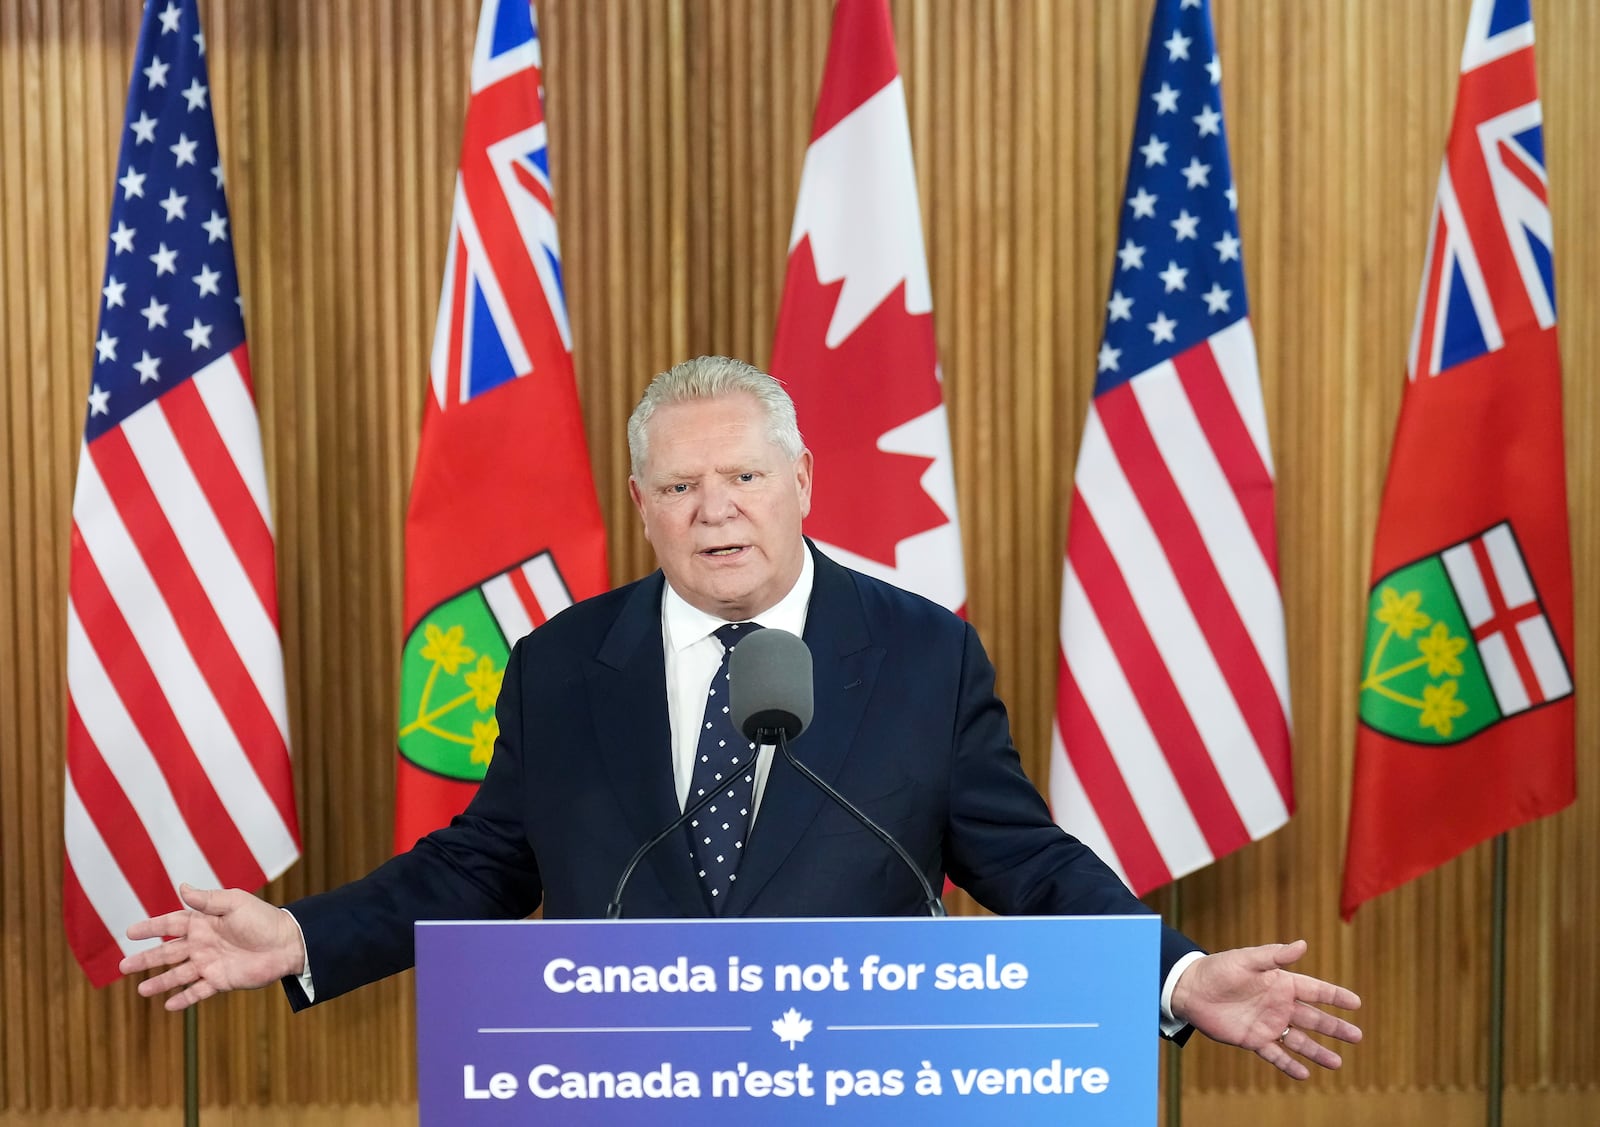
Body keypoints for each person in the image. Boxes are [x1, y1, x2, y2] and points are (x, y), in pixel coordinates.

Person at [122, 356, 1360, 1080]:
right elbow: (489, 856)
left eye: (744, 476)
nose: (717, 510)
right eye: (680, 485)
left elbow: (1023, 860)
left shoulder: (921, 653)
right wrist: (301, 934)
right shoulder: (563, 663)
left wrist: (1177, 974)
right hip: (620, 1084)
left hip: (861, 1085)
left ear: (803, 482)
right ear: (642, 505)